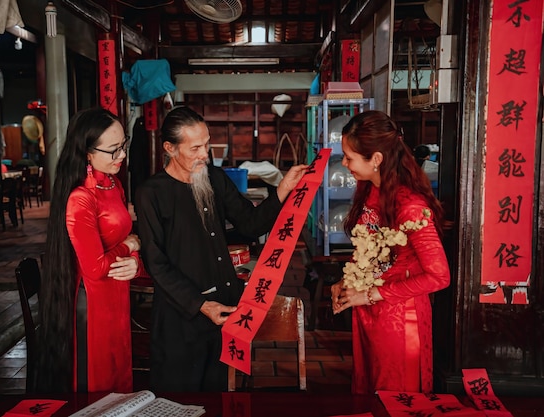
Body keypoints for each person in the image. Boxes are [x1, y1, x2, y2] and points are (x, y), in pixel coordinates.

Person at [134, 106, 307, 392]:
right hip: (182, 314)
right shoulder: (151, 193)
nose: (205, 154)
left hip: (225, 308)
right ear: (170, 148)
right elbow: (157, 264)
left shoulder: (214, 178)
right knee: (179, 396)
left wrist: (283, 188)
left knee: (219, 393)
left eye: (207, 144)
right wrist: (201, 305)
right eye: (196, 148)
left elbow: (251, 224)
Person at [330, 110, 450, 394]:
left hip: (399, 318)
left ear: (376, 159)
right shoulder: (370, 190)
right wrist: (348, 281)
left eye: (349, 156)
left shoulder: (409, 206)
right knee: (369, 387)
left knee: (395, 394)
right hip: (369, 310)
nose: (344, 163)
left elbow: (439, 276)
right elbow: (369, 246)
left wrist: (370, 294)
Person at [34, 107, 144, 393]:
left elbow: (128, 238)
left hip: (117, 293)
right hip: (93, 302)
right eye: (113, 150)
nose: (122, 155)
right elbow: (94, 269)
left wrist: (135, 258)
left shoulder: (112, 183)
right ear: (87, 153)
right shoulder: (81, 198)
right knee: (98, 383)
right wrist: (129, 246)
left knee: (120, 375)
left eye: (124, 145)